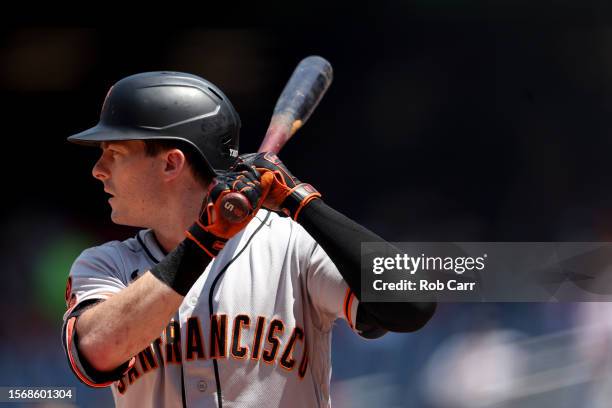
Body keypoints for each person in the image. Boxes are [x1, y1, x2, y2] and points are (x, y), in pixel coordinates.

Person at [62, 71, 436, 407]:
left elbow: (412, 304)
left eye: (114, 153)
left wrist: (301, 201)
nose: (98, 170)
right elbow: (96, 354)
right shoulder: (106, 265)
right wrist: (204, 240)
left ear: (171, 163)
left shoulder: (292, 244)